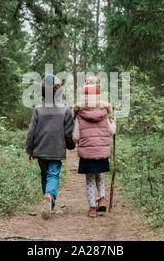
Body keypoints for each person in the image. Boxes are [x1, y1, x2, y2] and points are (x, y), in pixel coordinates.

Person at [26, 74, 74, 220]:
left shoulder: (38, 109)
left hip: (40, 150)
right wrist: (71, 145)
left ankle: (48, 201)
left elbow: (31, 132)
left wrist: (29, 149)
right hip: (56, 150)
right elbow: (68, 133)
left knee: (44, 175)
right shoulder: (65, 110)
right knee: (53, 175)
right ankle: (49, 197)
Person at [73, 77, 116, 218]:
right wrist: (113, 122)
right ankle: (102, 198)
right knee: (100, 177)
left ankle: (92, 208)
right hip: (101, 152)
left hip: (87, 153)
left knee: (90, 180)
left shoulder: (79, 114)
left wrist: (75, 140)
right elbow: (111, 131)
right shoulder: (104, 113)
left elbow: (76, 136)